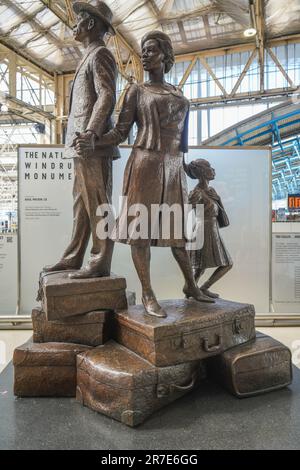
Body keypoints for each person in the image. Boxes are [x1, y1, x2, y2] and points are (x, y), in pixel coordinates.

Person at [76, 30, 214, 318]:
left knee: (178, 234)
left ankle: (191, 285)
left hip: (174, 168)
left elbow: (183, 141)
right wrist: (93, 139)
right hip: (144, 165)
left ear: (165, 55)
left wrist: (188, 169)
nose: (145, 54)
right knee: (140, 233)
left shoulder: (179, 94)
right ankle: (148, 293)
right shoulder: (136, 91)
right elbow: (120, 132)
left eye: (151, 50)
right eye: (144, 50)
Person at [44, 1, 119, 279]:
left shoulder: (100, 54)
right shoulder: (89, 55)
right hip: (82, 146)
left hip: (91, 146)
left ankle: (100, 260)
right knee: (82, 205)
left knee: (98, 205)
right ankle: (74, 256)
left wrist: (91, 133)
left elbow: (107, 96)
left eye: (78, 20)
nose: (74, 25)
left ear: (90, 24)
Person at [184, 159, 233, 299]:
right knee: (206, 264)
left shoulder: (211, 191)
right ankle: (195, 288)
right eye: (210, 167)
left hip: (212, 229)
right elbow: (184, 211)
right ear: (203, 172)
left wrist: (218, 199)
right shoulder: (196, 193)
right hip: (202, 230)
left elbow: (221, 216)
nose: (213, 170)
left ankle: (194, 288)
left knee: (202, 266)